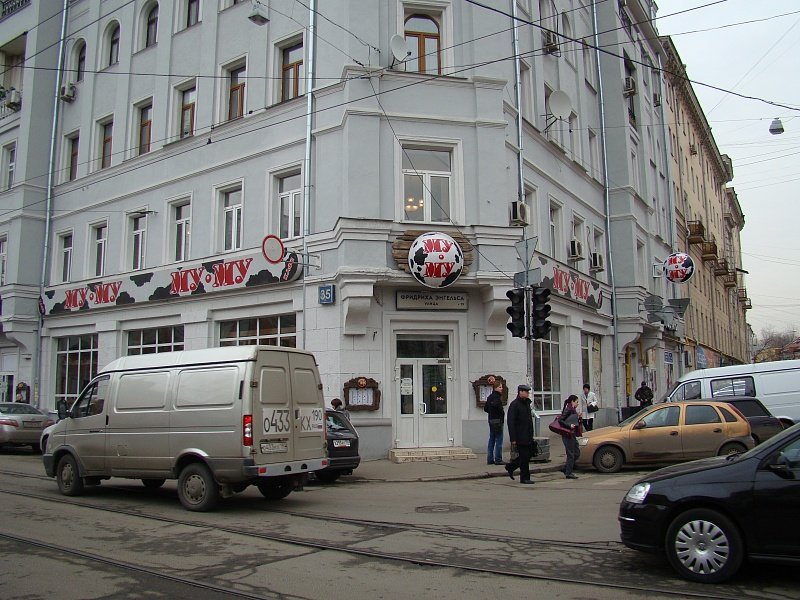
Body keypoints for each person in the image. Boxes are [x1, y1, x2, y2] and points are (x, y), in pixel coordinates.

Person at [505, 384, 535, 485]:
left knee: (528, 455)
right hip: (520, 436)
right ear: (520, 392)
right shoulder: (514, 405)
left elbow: (529, 420)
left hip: (527, 435)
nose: (527, 394)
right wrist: (513, 438)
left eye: (528, 392)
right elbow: (511, 422)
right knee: (525, 457)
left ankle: (511, 467)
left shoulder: (526, 404)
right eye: (526, 392)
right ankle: (525, 478)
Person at [558, 395, 581, 479]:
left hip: (572, 434)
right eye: (577, 402)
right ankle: (569, 473)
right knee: (571, 453)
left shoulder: (572, 410)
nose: (578, 404)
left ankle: (566, 468)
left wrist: (579, 418)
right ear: (572, 401)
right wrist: (569, 425)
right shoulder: (568, 409)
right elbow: (560, 420)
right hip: (567, 434)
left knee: (577, 452)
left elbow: (574, 421)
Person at [483, 381, 505, 465]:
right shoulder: (497, 397)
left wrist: (491, 412)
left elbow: (485, 408)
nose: (501, 388)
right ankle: (498, 459)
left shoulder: (490, 397)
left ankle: (490, 459)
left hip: (491, 420)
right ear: (495, 388)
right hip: (498, 420)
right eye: (500, 387)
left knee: (491, 439)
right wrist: (500, 413)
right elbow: (498, 408)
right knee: (499, 439)